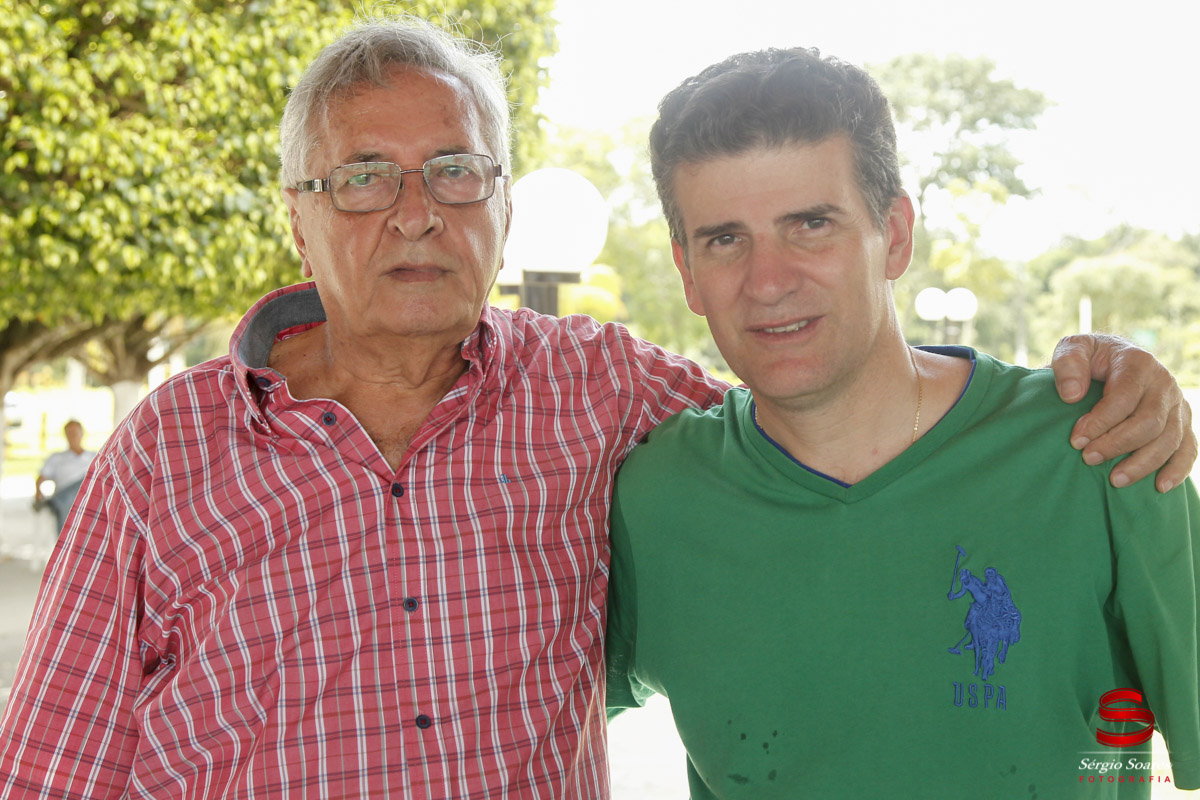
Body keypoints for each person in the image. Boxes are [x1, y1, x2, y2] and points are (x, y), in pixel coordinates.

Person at [0, 17, 1191, 799]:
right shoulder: (169, 448)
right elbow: (51, 764)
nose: (416, 212)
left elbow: (821, 393)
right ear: (297, 218)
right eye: (363, 176)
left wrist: (1098, 378)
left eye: (456, 171)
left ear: (503, 209)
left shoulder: (602, 394)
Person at [604, 46, 1200, 798]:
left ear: (895, 234)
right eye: (725, 239)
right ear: (687, 271)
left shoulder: (1103, 444)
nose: (768, 281)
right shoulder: (655, 496)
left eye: (811, 224)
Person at [32, 419, 96, 535]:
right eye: (69, 433)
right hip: (67, 503)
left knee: (86, 480)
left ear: (82, 434)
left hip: (88, 499)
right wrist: (38, 494)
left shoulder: (94, 457)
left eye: (75, 433)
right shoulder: (57, 458)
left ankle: (55, 502)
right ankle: (58, 501)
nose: (72, 437)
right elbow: (40, 479)